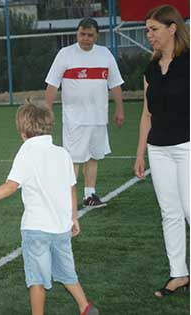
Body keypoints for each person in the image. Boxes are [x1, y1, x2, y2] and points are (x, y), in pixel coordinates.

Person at [0, 100, 99, 315]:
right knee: (67, 273)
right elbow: (71, 188)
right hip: (61, 227)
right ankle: (85, 306)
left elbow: (11, 186)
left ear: (22, 131)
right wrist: (74, 217)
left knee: (37, 280)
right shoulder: (62, 153)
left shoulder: (27, 152)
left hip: (36, 229)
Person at [134, 4, 190, 299]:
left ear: (172, 28)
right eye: (146, 30)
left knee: (190, 209)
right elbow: (147, 114)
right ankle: (179, 274)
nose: (149, 35)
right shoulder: (150, 68)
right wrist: (140, 153)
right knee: (170, 213)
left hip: (187, 146)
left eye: (154, 29)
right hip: (158, 148)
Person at [44, 17, 124, 208]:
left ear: (97, 35)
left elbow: (115, 84)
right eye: (82, 34)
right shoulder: (65, 54)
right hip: (75, 120)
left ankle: (90, 195)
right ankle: (67, 198)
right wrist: (48, 111)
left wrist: (120, 109)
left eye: (90, 35)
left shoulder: (105, 55)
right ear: (77, 33)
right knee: (73, 159)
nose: (85, 38)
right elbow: (52, 84)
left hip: (98, 118)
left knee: (93, 156)